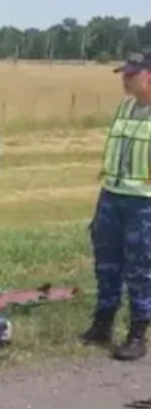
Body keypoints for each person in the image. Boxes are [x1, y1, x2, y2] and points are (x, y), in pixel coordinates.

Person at [79, 48, 151, 361]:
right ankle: (102, 323)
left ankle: (138, 333)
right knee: (106, 262)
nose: (125, 80)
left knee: (141, 269)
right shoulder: (125, 108)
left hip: (144, 204)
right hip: (112, 195)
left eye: (131, 75)